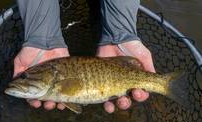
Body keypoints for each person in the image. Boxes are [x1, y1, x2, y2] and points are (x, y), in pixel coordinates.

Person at [14, 0, 156, 113]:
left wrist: (120, 34)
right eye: (24, 77)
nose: (22, 78)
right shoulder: (51, 79)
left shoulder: (55, 81)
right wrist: (41, 37)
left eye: (24, 76)